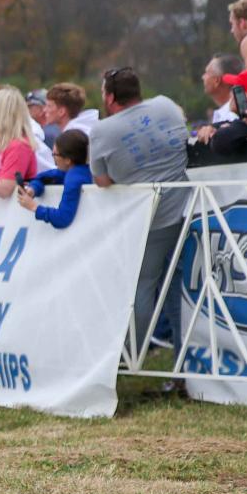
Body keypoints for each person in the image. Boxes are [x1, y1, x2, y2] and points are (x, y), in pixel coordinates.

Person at [90, 67, 190, 350]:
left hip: (151, 218)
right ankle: (185, 354)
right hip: (190, 208)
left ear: (110, 97)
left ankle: (131, 352)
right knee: (181, 286)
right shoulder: (166, 105)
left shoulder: (102, 130)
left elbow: (102, 181)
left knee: (143, 285)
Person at [16, 129, 92, 229]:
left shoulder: (73, 178)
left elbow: (63, 218)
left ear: (67, 160)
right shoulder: (77, 170)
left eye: (55, 154)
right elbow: (44, 178)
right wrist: (33, 189)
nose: (53, 158)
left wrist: (34, 207)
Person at [194, 54, 244, 143]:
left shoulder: (233, 115)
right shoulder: (235, 111)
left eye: (206, 73)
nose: (203, 77)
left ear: (217, 80)